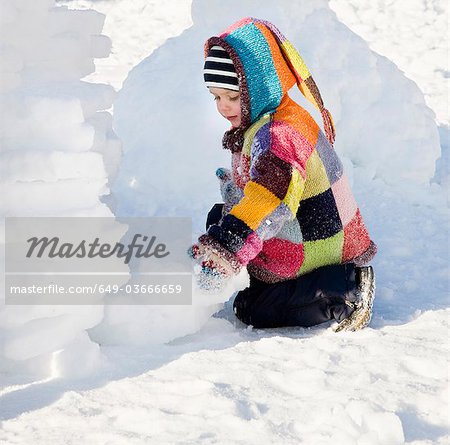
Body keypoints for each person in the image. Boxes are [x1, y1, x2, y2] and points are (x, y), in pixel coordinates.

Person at [188, 17, 377, 332]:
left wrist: (225, 251)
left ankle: (344, 289)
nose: (223, 106)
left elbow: (269, 201)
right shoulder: (276, 112)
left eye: (233, 97)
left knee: (253, 309)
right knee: (218, 217)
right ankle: (274, 279)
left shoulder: (279, 135)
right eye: (216, 97)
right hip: (308, 224)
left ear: (259, 87)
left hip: (317, 240)